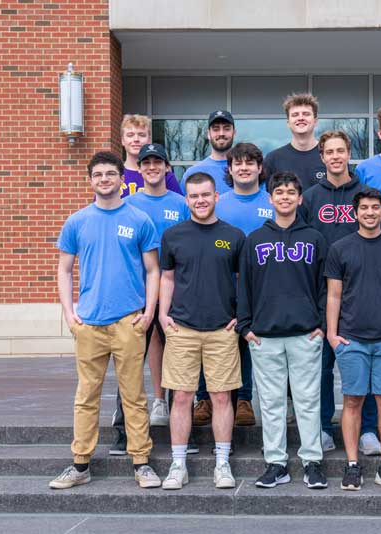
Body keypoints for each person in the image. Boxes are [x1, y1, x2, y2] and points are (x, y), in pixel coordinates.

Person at [49, 151, 161, 490]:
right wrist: (70, 313)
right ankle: (80, 464)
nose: (104, 179)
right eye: (97, 175)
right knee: (86, 396)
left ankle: (141, 462)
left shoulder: (140, 219)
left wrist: (149, 312)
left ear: (120, 179)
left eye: (110, 174)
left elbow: (154, 270)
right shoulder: (78, 221)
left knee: (134, 396)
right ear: (90, 180)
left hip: (129, 321)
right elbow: (64, 270)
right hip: (90, 324)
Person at [237, 171, 329, 490]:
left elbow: (324, 286)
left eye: (292, 192)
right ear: (271, 198)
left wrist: (322, 325)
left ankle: (312, 461)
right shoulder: (254, 240)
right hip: (264, 335)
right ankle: (276, 463)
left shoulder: (315, 238)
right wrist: (246, 327)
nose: (286, 196)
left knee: (307, 399)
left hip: (306, 332)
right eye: (280, 192)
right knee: (272, 403)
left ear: (300, 198)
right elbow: (244, 287)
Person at [158, 172, 245, 490]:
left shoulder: (234, 236)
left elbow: (243, 280)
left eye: (205, 195)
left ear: (216, 196)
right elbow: (167, 278)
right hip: (182, 327)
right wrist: (162, 314)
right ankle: (178, 464)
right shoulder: (173, 235)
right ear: (186, 199)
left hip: (222, 329)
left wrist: (241, 315)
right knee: (181, 396)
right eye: (193, 196)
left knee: (222, 397)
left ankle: (222, 463)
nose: (200, 200)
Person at [325, 188, 381, 491]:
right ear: (355, 212)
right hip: (352, 340)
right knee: (352, 401)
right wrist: (333, 334)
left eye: (375, 208)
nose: (369, 213)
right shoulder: (340, 249)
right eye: (364, 208)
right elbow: (334, 295)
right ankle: (352, 466)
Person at [299, 130, 381, 456]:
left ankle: (369, 429)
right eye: (329, 152)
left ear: (349, 154)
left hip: (360, 294)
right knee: (321, 368)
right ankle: (323, 427)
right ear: (321, 157)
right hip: (320, 295)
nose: (335, 156)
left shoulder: (365, 194)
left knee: (366, 366)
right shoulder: (310, 197)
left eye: (340, 151)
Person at [119, 144, 189, 436]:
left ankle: (177, 422)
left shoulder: (181, 203)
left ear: (166, 168)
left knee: (179, 356)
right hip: (139, 290)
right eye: (146, 163)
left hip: (176, 289)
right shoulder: (130, 205)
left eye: (157, 162)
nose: (151, 167)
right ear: (140, 168)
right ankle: (125, 428)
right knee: (132, 358)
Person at [206, 142, 276, 427]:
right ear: (230, 169)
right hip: (222, 286)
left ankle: (245, 399)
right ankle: (205, 398)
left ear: (260, 169)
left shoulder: (271, 200)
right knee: (217, 343)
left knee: (250, 344)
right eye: (238, 163)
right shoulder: (218, 203)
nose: (244, 168)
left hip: (264, 288)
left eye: (250, 163)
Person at [263, 93, 327, 191]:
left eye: (306, 114)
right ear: (288, 123)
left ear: (315, 121)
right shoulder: (273, 159)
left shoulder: (329, 156)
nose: (300, 118)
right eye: (295, 115)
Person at [119, 114, 182, 197]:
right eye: (130, 135)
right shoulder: (114, 174)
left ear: (149, 140)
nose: (136, 139)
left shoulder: (163, 175)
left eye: (141, 135)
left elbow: (178, 205)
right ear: (122, 140)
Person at [180, 110, 235, 196]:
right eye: (216, 129)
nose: (221, 133)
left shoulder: (245, 171)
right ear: (208, 134)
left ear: (234, 133)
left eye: (226, 129)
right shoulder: (192, 173)